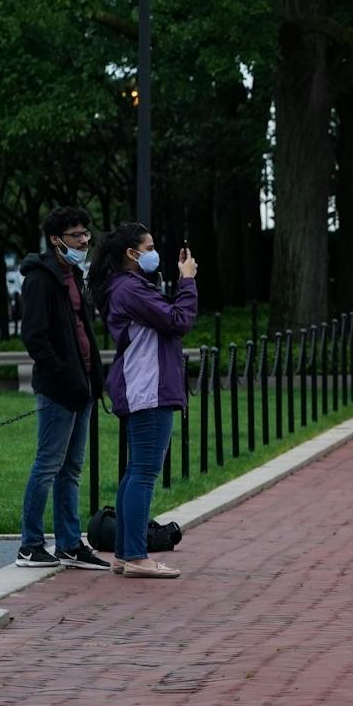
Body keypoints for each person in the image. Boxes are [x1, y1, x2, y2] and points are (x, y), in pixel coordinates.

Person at [88, 223, 197, 578]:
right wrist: (188, 281)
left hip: (143, 387)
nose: (154, 252)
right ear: (131, 254)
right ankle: (135, 556)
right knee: (144, 473)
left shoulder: (127, 287)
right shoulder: (130, 289)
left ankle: (124, 552)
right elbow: (178, 321)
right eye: (148, 247)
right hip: (148, 389)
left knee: (136, 471)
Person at [16, 206, 110, 570]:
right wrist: (64, 378)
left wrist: (91, 380)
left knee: (71, 469)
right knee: (48, 465)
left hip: (81, 386)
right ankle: (31, 545)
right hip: (60, 390)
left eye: (86, 234)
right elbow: (35, 338)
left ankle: (69, 544)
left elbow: (82, 330)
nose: (84, 240)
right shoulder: (41, 279)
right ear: (56, 240)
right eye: (76, 235)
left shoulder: (73, 274)